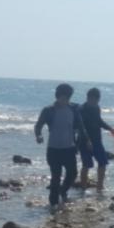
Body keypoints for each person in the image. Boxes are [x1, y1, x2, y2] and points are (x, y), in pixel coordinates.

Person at [34, 84, 90, 212]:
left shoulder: (74, 109)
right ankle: (53, 205)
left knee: (72, 173)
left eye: (67, 97)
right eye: (62, 97)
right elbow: (38, 125)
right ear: (57, 96)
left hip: (69, 148)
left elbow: (81, 127)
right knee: (55, 176)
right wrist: (38, 136)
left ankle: (63, 191)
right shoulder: (48, 110)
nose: (64, 100)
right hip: (53, 149)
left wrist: (87, 140)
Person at [78, 88, 114, 192]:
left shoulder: (96, 108)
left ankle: (99, 187)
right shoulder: (82, 110)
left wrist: (110, 128)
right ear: (88, 98)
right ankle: (83, 188)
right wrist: (87, 140)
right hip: (84, 141)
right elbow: (81, 127)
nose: (95, 102)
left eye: (97, 100)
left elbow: (99, 121)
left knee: (103, 163)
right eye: (93, 99)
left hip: (97, 140)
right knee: (86, 165)